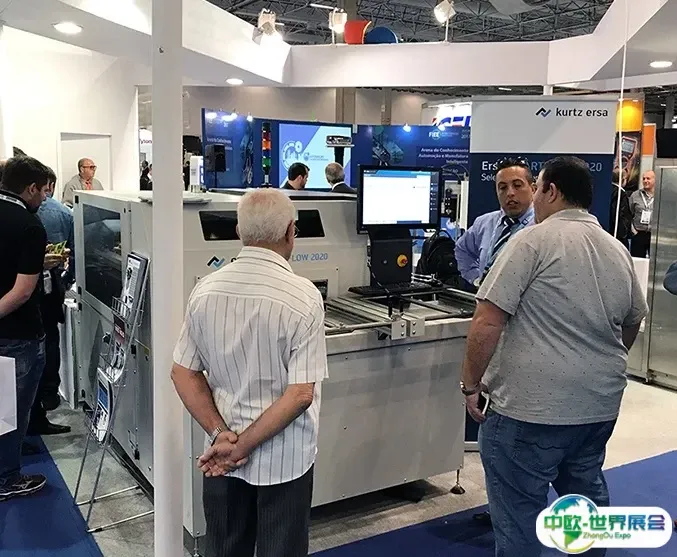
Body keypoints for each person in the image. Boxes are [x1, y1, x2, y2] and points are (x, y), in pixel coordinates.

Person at [462, 156, 648, 557]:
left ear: (550, 191)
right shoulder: (616, 249)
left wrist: (471, 385)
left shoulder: (531, 241)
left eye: (534, 188)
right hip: (597, 406)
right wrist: (599, 363)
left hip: (530, 410)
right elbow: (633, 320)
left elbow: (487, 320)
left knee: (518, 515)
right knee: (585, 499)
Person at [172, 188, 328, 557]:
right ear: (290, 232)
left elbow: (183, 373)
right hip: (284, 459)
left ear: (240, 232)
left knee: (224, 548)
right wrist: (242, 447)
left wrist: (221, 435)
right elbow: (300, 394)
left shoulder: (205, 290)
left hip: (221, 456)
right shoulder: (304, 297)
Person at [0, 156, 59, 502]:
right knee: (11, 411)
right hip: (17, 335)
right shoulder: (29, 225)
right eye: (43, 191)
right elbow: (22, 291)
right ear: (31, 188)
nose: (45, 198)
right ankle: (6, 478)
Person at [28, 168, 74, 436]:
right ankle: (47, 396)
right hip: (42, 291)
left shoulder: (32, 214)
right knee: (47, 341)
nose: (44, 197)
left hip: (36, 294)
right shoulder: (60, 212)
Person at [455, 156, 536, 289]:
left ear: (533, 189)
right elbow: (461, 250)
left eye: (517, 185)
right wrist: (475, 278)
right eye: (503, 187)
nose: (510, 193)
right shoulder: (484, 223)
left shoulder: (542, 226)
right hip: (484, 298)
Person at [628, 170, 655, 258]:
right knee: (637, 261)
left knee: (654, 262)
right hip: (639, 234)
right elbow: (629, 213)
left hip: (654, 235)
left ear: (655, 180)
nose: (645, 181)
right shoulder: (635, 195)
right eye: (643, 179)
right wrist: (634, 231)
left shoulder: (660, 196)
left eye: (648, 178)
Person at [609, 167, 632, 249]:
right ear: (622, 179)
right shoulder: (620, 195)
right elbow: (622, 216)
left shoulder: (606, 191)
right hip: (617, 237)